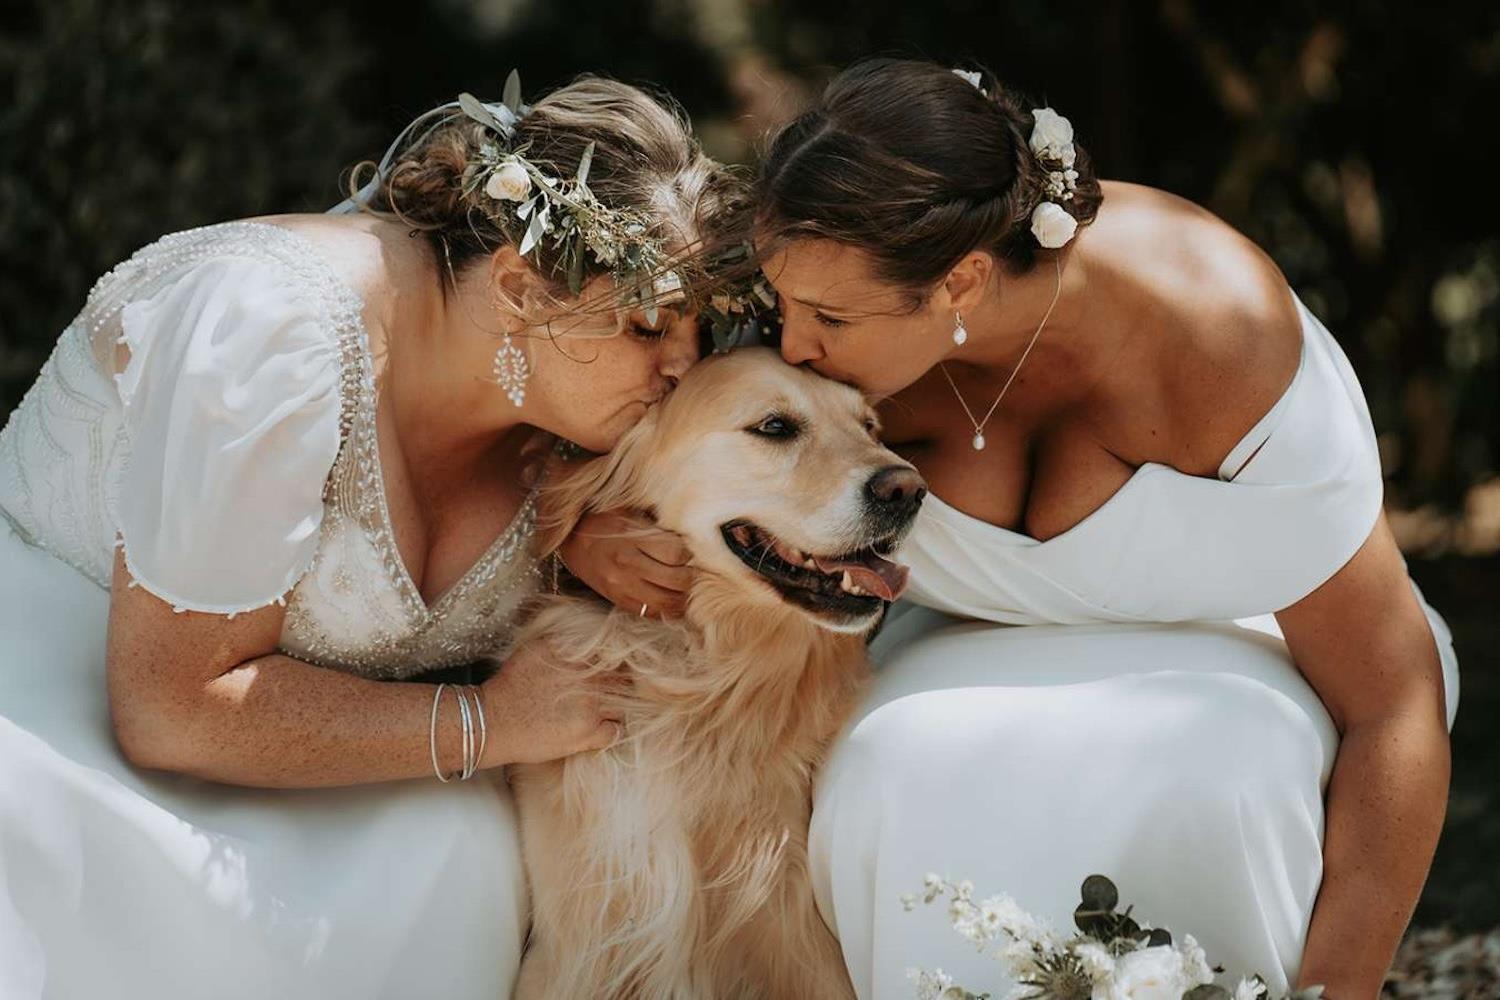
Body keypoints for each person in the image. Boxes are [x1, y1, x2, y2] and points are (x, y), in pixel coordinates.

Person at [0, 75, 734, 1000]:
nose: (683, 367)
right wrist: (493, 721)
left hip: (341, 777)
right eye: (647, 325)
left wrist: (567, 542)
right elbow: (170, 705)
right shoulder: (271, 334)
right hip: (65, 700)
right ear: (516, 287)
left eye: (699, 337)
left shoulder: (574, 418)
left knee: (458, 861)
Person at [745, 57, 1459, 999]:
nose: (790, 345)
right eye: (783, 304)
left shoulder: (1218, 338)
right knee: (888, 771)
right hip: (943, 644)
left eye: (829, 317)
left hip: (1246, 640)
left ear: (960, 280)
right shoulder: (810, 332)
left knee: (1219, 783)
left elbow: (1389, 701)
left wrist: (1340, 988)